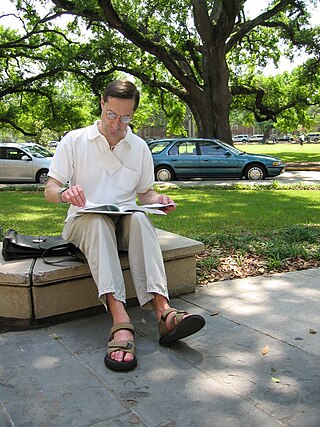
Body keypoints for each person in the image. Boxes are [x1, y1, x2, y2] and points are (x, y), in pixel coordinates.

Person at [44, 80, 205, 372]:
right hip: (83, 222)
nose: (118, 124)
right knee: (97, 224)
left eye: (126, 117)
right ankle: (120, 320)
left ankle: (163, 312)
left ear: (133, 114)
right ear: (102, 104)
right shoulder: (75, 140)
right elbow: (50, 188)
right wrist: (64, 193)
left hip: (125, 220)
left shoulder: (139, 147)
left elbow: (145, 194)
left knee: (142, 217)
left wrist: (160, 199)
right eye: (112, 115)